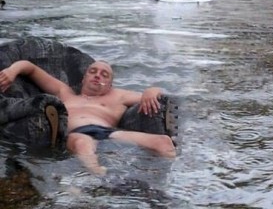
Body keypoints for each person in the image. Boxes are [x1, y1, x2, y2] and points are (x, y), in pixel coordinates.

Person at [0, 60, 176, 175]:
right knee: (82, 143)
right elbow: (30, 68)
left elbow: (158, 92)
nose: (98, 75)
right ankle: (100, 178)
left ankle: (164, 180)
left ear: (109, 84)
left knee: (164, 142)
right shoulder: (65, 93)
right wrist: (12, 70)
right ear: (84, 78)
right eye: (93, 71)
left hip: (110, 133)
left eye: (104, 74)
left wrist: (150, 91)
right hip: (77, 134)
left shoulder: (118, 96)